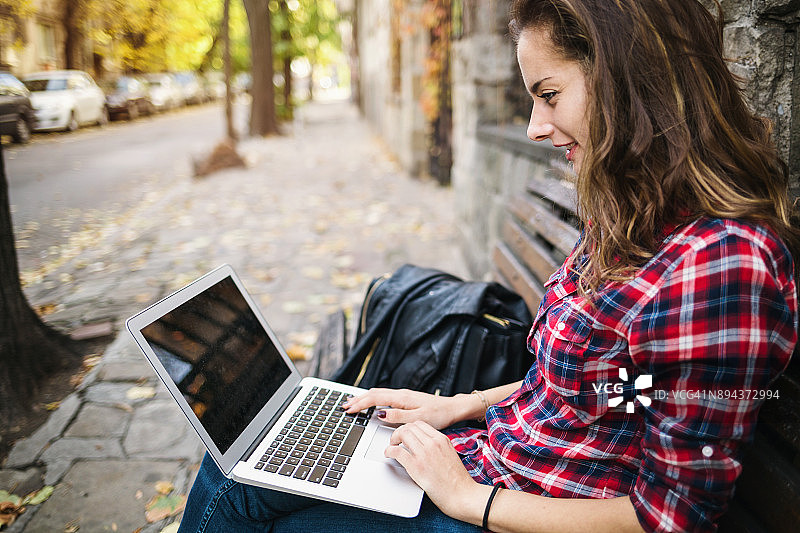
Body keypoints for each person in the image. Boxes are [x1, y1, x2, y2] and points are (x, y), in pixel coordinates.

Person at [178, 0, 799, 531]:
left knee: (237, 488)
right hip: (491, 460)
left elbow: (670, 517)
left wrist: (465, 498)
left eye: (549, 95)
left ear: (631, 82)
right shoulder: (637, 216)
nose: (534, 127)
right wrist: (455, 406)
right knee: (242, 455)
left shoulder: (720, 263)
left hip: (499, 507)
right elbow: (599, 391)